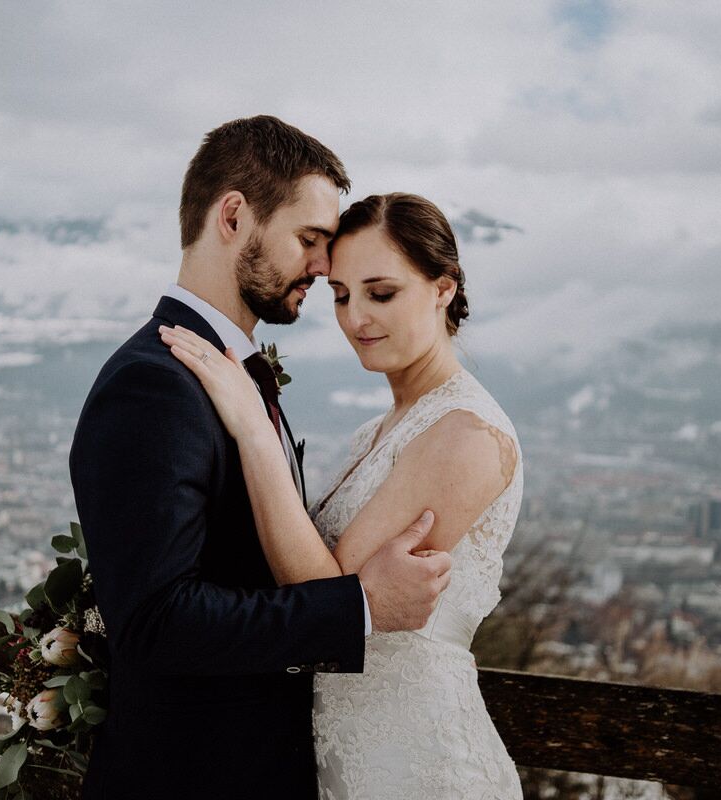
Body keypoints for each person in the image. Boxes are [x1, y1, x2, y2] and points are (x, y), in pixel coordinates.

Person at [69, 118, 452, 800]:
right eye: (309, 240)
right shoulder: (154, 385)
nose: (323, 266)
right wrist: (359, 606)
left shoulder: (225, 374)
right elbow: (157, 621)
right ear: (235, 215)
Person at [161, 192, 524, 798]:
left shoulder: (465, 434)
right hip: (342, 761)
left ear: (442, 288)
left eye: (381, 293)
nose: (356, 318)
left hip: (417, 764)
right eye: (340, 295)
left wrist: (253, 428)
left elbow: (325, 597)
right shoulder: (376, 432)